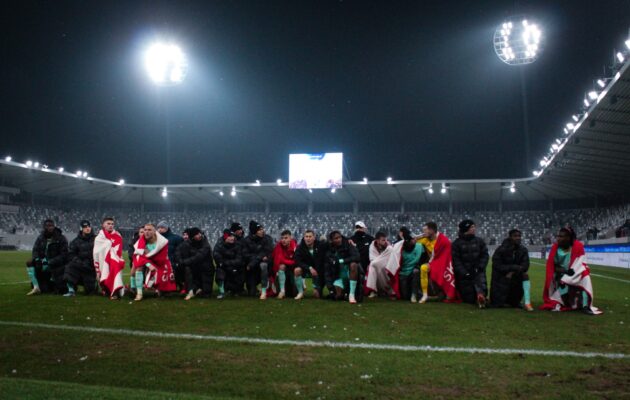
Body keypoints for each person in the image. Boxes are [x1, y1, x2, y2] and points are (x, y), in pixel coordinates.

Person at [540, 227, 602, 314]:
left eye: (561, 236)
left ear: (568, 238)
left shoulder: (578, 246)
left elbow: (581, 263)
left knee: (585, 276)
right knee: (563, 287)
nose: (558, 238)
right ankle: (564, 301)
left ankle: (586, 306)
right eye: (558, 236)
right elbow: (553, 266)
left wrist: (572, 274)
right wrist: (565, 272)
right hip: (561, 275)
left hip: (576, 273)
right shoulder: (555, 248)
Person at [131, 223, 177, 301]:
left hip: (160, 261)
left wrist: (151, 260)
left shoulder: (162, 242)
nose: (146, 232)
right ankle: (139, 293)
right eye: (145, 230)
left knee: (163, 288)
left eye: (149, 230)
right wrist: (148, 264)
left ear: (154, 231)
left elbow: (162, 257)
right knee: (138, 266)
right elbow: (139, 255)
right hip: (147, 261)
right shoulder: (141, 241)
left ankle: (158, 289)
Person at [490, 229, 532, 311]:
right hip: (501, 277)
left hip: (515, 275)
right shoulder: (501, 249)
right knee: (498, 304)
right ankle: (501, 301)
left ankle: (523, 302)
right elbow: (497, 265)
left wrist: (512, 271)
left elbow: (525, 266)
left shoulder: (523, 250)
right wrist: (514, 268)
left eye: (519, 236)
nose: (518, 238)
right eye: (515, 236)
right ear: (510, 237)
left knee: (524, 275)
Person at [416, 222, 458, 303]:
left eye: (425, 230)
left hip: (443, 264)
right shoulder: (424, 239)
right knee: (423, 268)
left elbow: (448, 255)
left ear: (431, 230)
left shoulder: (443, 240)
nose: (423, 233)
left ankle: (442, 293)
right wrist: (419, 237)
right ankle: (425, 295)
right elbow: (412, 241)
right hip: (432, 263)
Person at [451, 219, 489, 308]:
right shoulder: (456, 244)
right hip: (464, 275)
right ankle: (479, 299)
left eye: (474, 226)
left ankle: (481, 297)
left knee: (481, 287)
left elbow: (485, 255)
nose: (474, 228)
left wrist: (480, 267)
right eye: (472, 227)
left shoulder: (479, 241)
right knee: (468, 298)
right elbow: (456, 260)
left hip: (478, 271)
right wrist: (464, 272)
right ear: (466, 228)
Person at [26, 219, 69, 295]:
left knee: (51, 289)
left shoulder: (61, 238)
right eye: (48, 226)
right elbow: (35, 250)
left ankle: (53, 283)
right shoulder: (40, 238)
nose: (50, 228)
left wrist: (50, 262)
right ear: (44, 227)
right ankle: (36, 286)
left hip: (56, 265)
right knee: (29, 262)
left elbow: (64, 255)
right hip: (42, 263)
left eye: (52, 226)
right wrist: (37, 259)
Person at [324, 231, 361, 304]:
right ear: (331, 240)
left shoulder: (348, 244)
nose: (339, 239)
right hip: (338, 277)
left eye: (340, 237)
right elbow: (327, 271)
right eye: (336, 238)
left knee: (353, 264)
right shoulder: (329, 252)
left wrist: (342, 260)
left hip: (349, 273)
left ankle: (351, 294)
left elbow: (357, 257)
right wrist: (330, 288)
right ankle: (344, 293)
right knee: (338, 296)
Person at [387, 228, 423, 302]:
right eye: (413, 239)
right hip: (403, 273)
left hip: (414, 270)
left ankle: (414, 295)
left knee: (416, 271)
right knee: (405, 296)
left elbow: (423, 259)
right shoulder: (399, 248)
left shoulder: (419, 247)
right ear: (408, 241)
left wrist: (418, 266)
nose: (415, 240)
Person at [93, 217, 126, 299]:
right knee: (106, 273)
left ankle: (114, 292)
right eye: (108, 223)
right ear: (103, 225)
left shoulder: (118, 236)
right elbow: (96, 253)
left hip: (115, 261)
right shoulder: (99, 238)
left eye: (112, 224)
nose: (111, 225)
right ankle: (108, 290)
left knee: (115, 268)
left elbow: (119, 250)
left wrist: (112, 256)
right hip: (103, 261)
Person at [177, 227, 213, 301]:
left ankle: (196, 289)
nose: (199, 235)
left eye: (199, 233)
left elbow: (199, 256)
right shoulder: (186, 243)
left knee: (207, 293)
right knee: (185, 268)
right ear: (192, 237)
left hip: (206, 268)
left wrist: (184, 262)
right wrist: (180, 261)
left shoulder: (205, 243)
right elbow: (178, 252)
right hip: (196, 267)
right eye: (197, 234)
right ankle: (191, 290)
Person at [63, 220, 96, 296]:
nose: (87, 228)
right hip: (80, 266)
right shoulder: (75, 242)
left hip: (92, 267)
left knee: (90, 291)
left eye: (88, 226)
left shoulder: (97, 239)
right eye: (85, 227)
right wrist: (80, 263)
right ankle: (71, 290)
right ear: (81, 228)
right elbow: (71, 255)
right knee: (69, 267)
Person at [242, 220, 274, 299]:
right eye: (260, 230)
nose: (262, 231)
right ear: (254, 231)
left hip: (263, 267)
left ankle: (264, 290)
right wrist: (258, 258)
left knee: (263, 265)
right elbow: (245, 255)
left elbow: (268, 252)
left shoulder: (267, 239)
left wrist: (253, 262)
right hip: (252, 269)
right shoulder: (246, 241)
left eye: (262, 229)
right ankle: (253, 287)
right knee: (251, 293)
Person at [294, 229, 326, 299]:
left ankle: (317, 288)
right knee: (297, 270)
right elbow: (298, 261)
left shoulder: (320, 246)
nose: (308, 238)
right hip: (306, 269)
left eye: (310, 236)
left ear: (314, 237)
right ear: (304, 237)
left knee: (317, 296)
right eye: (306, 236)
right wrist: (309, 268)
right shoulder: (300, 247)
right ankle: (300, 292)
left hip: (318, 271)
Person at [214, 229, 245, 299]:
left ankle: (235, 291)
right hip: (224, 266)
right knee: (220, 271)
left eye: (233, 236)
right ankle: (222, 292)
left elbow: (239, 259)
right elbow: (216, 256)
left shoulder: (237, 245)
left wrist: (227, 263)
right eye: (230, 236)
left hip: (234, 266)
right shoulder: (219, 245)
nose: (232, 238)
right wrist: (224, 263)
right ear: (225, 237)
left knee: (237, 273)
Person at [157, 221, 185, 293]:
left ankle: (180, 286)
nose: (160, 229)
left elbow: (180, 251)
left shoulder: (176, 238)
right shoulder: (155, 238)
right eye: (159, 227)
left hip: (172, 261)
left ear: (167, 228)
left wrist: (176, 261)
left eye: (162, 227)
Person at [270, 230, 298, 299]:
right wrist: (291, 262)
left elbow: (297, 261)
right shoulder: (278, 247)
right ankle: (282, 291)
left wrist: (290, 263)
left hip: (292, 271)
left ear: (290, 238)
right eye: (282, 238)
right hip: (280, 272)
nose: (283, 240)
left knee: (295, 293)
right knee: (282, 266)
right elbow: (278, 261)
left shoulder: (295, 247)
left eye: (286, 238)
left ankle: (300, 287)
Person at [365, 231, 393, 298]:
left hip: (386, 268)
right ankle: (373, 291)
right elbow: (372, 258)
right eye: (383, 240)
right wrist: (378, 261)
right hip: (377, 267)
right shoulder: (372, 246)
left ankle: (377, 291)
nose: (385, 241)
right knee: (372, 267)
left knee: (372, 265)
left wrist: (378, 262)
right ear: (377, 241)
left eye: (386, 239)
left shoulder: (389, 247)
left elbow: (390, 260)